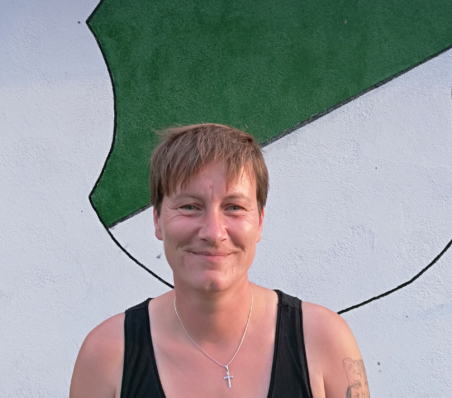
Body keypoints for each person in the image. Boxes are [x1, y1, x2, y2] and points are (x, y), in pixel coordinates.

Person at [70, 123, 370, 398]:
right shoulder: (107, 354)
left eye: (234, 207)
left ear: (260, 222)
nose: (213, 233)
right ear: (157, 219)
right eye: (190, 206)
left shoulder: (323, 340)